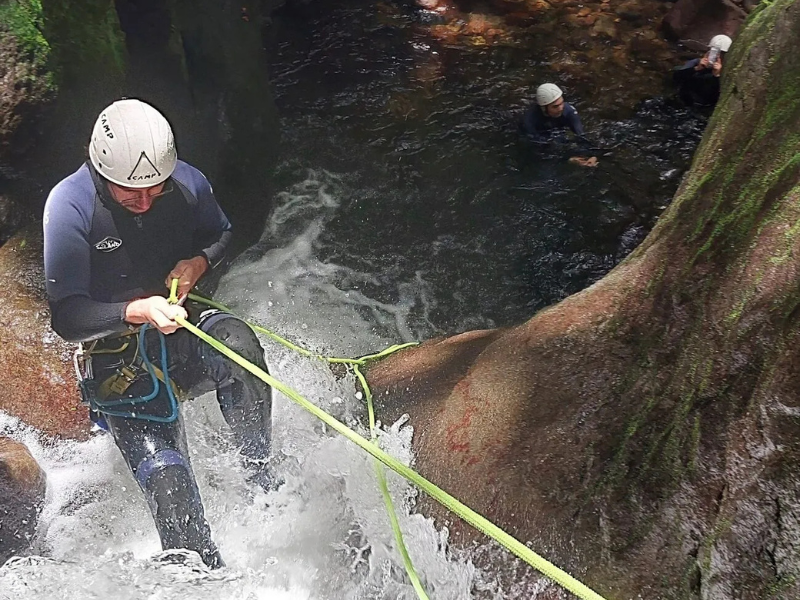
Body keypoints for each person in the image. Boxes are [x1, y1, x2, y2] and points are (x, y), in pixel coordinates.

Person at [43, 98, 275, 569]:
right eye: (131, 192)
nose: (146, 201)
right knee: (173, 497)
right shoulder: (69, 205)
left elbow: (221, 232)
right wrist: (136, 310)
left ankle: (263, 482)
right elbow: (67, 318)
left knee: (241, 348)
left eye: (155, 188)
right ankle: (205, 577)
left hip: (178, 328)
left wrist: (199, 261)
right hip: (116, 354)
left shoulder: (188, 183)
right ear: (100, 169)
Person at [520, 83, 598, 167]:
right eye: (555, 106)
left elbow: (581, 136)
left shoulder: (569, 112)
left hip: (556, 131)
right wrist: (567, 159)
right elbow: (538, 150)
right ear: (544, 108)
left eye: (562, 103)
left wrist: (592, 155)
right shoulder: (530, 121)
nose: (561, 108)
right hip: (540, 134)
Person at [673, 34, 732, 107]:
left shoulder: (725, 71)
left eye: (721, 54)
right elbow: (676, 78)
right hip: (684, 100)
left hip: (702, 106)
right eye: (713, 52)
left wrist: (716, 76)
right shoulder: (696, 63)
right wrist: (697, 68)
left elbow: (715, 98)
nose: (716, 56)